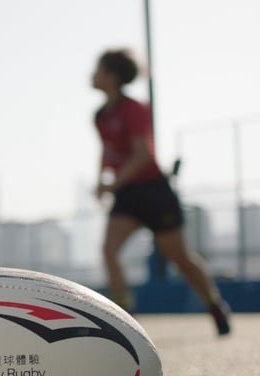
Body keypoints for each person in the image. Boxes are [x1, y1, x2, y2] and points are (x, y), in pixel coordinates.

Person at [92, 48, 230, 336]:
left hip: (153, 192)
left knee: (180, 257)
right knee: (109, 250)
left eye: (99, 69)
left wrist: (112, 184)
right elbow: (107, 153)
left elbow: (143, 155)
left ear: (113, 76)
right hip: (127, 195)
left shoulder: (134, 109)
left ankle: (214, 304)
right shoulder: (100, 116)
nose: (93, 74)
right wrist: (101, 182)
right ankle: (126, 315)